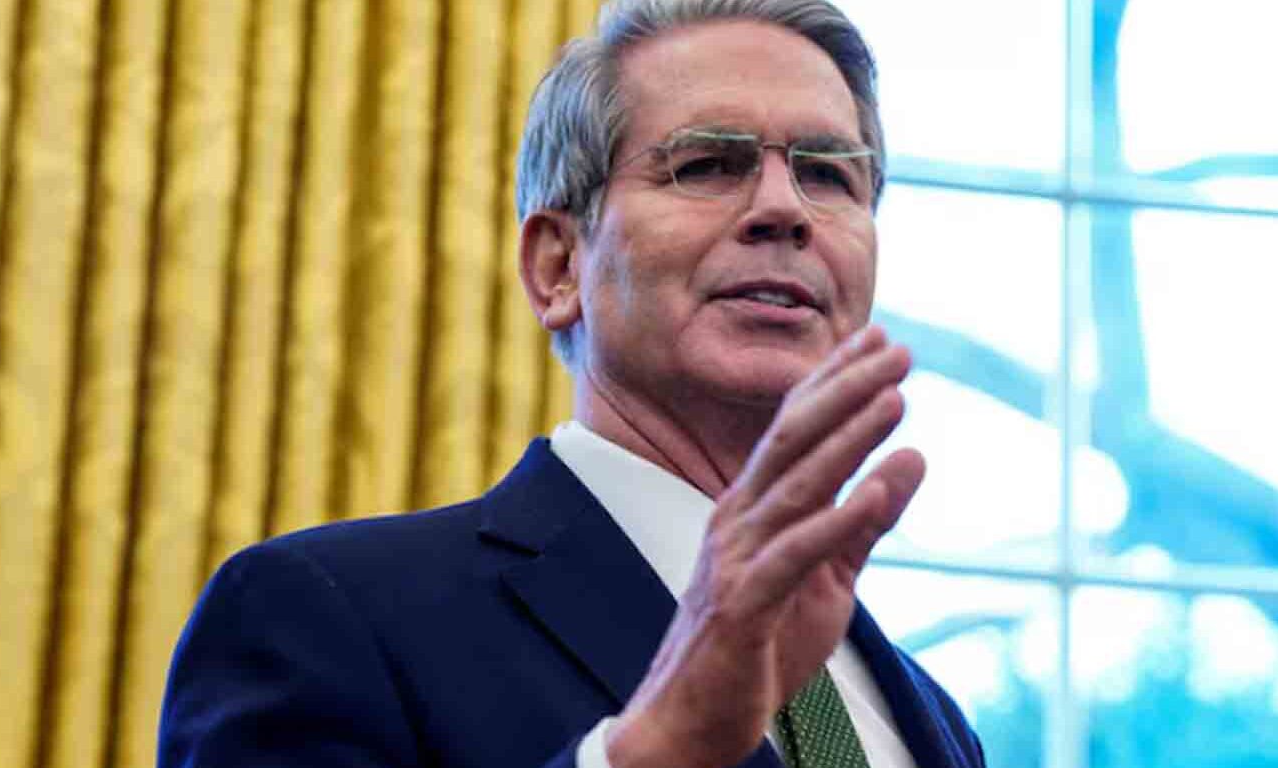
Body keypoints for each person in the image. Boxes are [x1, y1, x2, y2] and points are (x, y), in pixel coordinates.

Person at [158, 1, 986, 766]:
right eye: (706, 166)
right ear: (559, 266)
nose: (785, 207)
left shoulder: (937, 720)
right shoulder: (321, 618)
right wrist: (658, 747)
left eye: (830, 173)